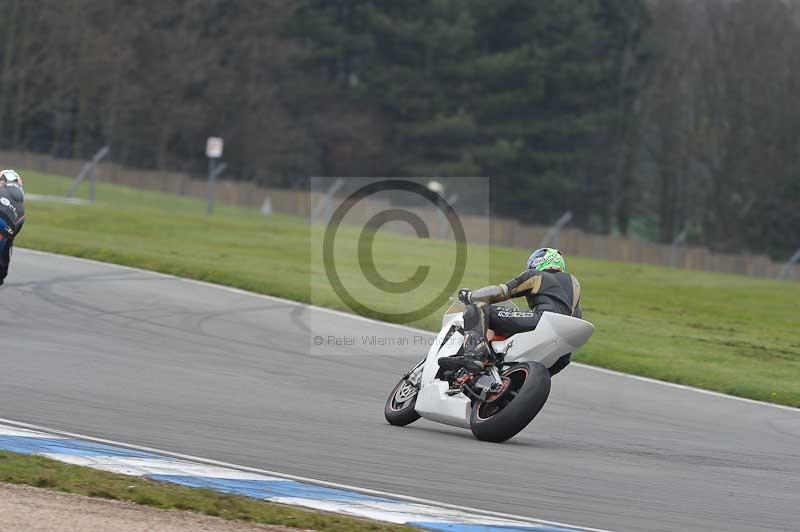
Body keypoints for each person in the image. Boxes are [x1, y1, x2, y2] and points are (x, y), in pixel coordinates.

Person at [440, 247, 581, 377]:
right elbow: (576, 314)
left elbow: (501, 292)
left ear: (540, 261)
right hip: (562, 354)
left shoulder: (536, 275)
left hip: (539, 320)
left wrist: (470, 295)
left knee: (477, 309)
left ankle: (474, 356)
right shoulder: (574, 283)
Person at [0, 169, 25, 287]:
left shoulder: (2, 187)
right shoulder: (21, 208)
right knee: (7, 242)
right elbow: (11, 236)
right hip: (7, 227)